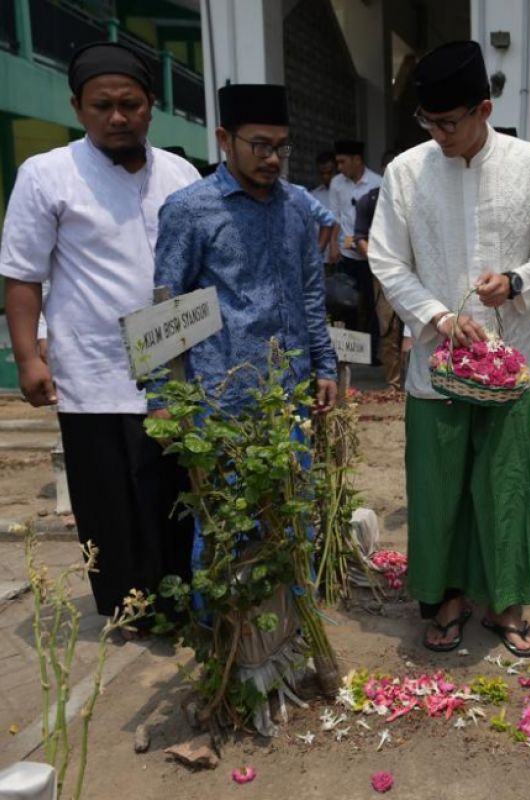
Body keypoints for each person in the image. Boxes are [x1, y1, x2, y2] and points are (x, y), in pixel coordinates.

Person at [369, 41, 530, 658]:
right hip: (438, 363)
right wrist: (435, 314)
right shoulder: (407, 171)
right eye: (428, 122)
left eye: (449, 122)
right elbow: (385, 257)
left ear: (485, 107)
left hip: (515, 361)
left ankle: (506, 605)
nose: (438, 134)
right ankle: (447, 598)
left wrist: (514, 282)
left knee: (507, 485)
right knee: (438, 487)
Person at [0, 41, 198, 629]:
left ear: (151, 106)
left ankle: (175, 602)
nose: (117, 116)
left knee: (171, 493)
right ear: (77, 107)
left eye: (130, 104)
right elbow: (22, 274)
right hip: (91, 367)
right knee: (106, 498)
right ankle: (123, 609)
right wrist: (28, 356)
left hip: (171, 370)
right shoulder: (47, 175)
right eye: (101, 105)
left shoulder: (181, 173)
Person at [151, 83, 337, 415]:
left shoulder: (296, 206)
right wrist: (161, 398)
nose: (273, 158)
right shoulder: (190, 209)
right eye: (260, 145)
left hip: (291, 392)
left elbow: (309, 291)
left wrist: (324, 364)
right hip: (220, 402)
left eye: (282, 147)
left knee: (297, 469)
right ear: (225, 140)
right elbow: (167, 304)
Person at [354, 150, 409, 392]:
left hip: (417, 274)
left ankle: (420, 381)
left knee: (421, 326)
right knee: (388, 329)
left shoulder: (416, 200)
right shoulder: (370, 200)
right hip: (384, 276)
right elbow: (360, 238)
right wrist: (379, 263)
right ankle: (394, 383)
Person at [329, 138, 382, 343]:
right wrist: (333, 245)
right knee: (345, 302)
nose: (339, 167)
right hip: (346, 254)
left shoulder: (378, 182)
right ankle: (348, 350)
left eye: (343, 162)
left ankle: (373, 352)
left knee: (372, 303)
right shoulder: (336, 183)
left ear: (357, 159)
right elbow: (334, 216)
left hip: (370, 255)